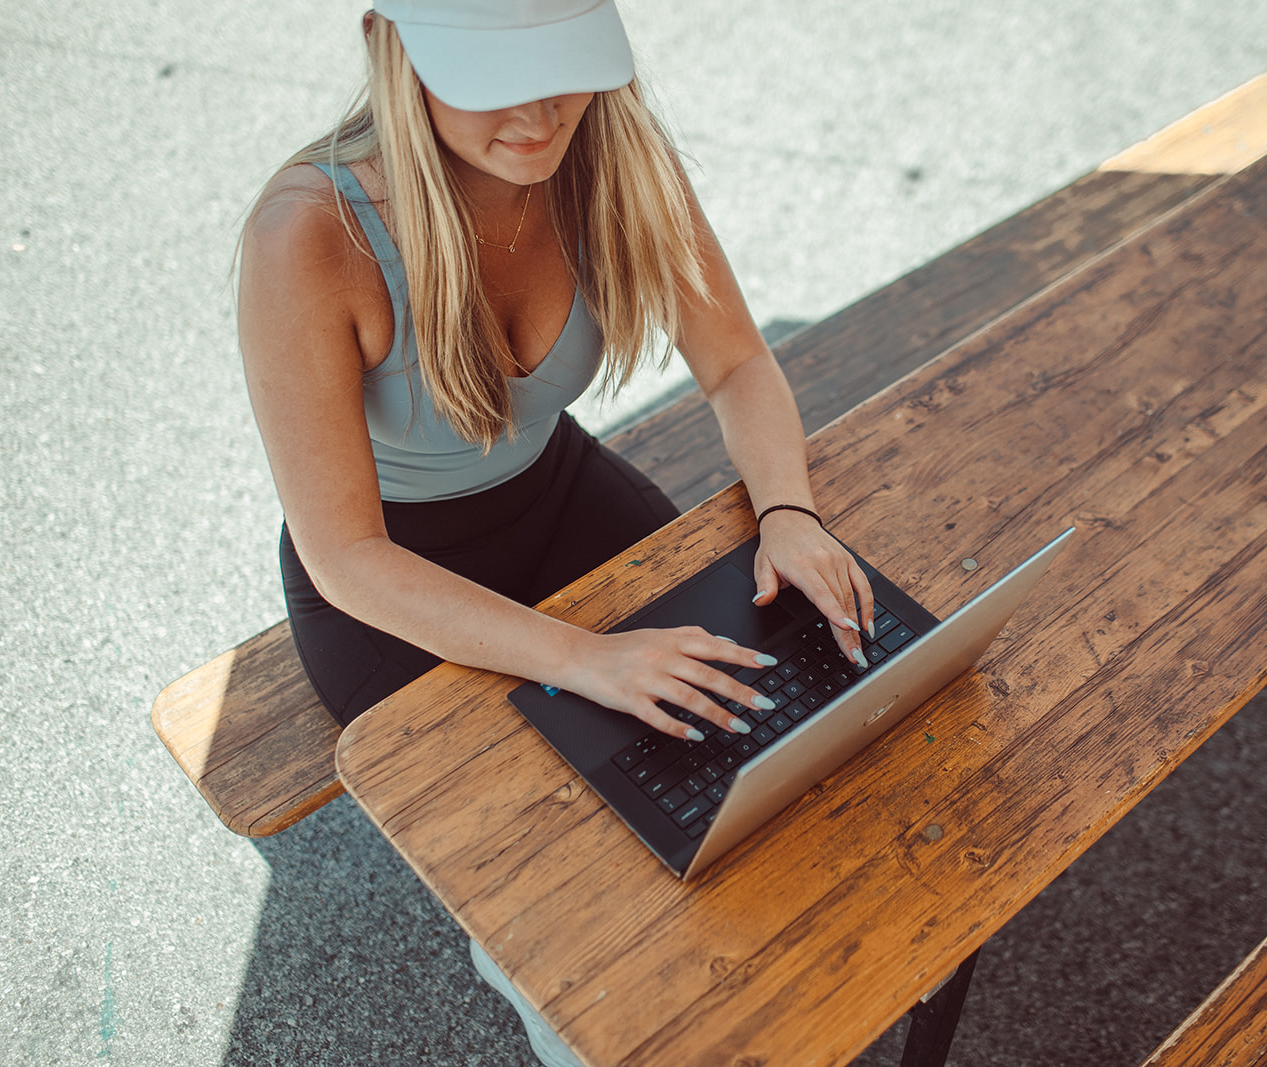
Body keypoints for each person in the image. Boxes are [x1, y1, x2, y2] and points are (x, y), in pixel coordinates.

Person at [236, 1, 871, 1062]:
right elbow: (345, 554)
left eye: (565, 68)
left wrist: (789, 510)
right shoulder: (307, 232)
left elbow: (737, 362)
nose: (538, 117)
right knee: (549, 890)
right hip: (396, 580)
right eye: (491, 77)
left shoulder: (613, 150)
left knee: (757, 737)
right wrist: (585, 660)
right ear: (386, 45)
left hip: (560, 493)